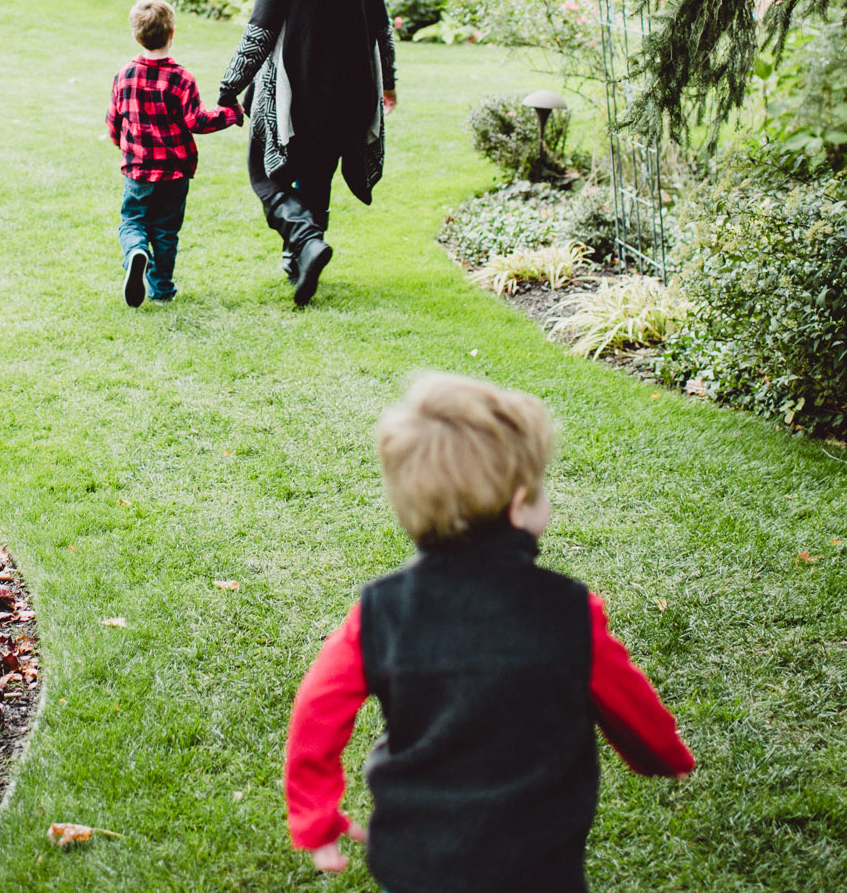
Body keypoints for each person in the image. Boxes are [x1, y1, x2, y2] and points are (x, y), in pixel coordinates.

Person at [283, 372, 695, 892]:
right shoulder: (567, 609)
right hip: (535, 861)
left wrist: (315, 817)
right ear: (521, 501)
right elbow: (627, 700)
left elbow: (316, 710)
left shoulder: (379, 611)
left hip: (415, 862)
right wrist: (665, 757)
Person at [217, 0, 397, 306]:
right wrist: (388, 84)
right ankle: (300, 259)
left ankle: (303, 239)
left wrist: (229, 88)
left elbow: (258, 35)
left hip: (299, 102)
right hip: (352, 101)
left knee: (267, 176)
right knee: (317, 177)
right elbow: (383, 33)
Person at [105, 0, 242, 307]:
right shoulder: (181, 78)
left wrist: (121, 144)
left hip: (138, 169)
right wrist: (231, 114)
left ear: (135, 36)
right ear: (171, 34)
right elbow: (197, 120)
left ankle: (136, 252)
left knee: (132, 221)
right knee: (166, 230)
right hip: (174, 171)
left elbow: (114, 118)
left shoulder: (124, 75)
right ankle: (162, 289)